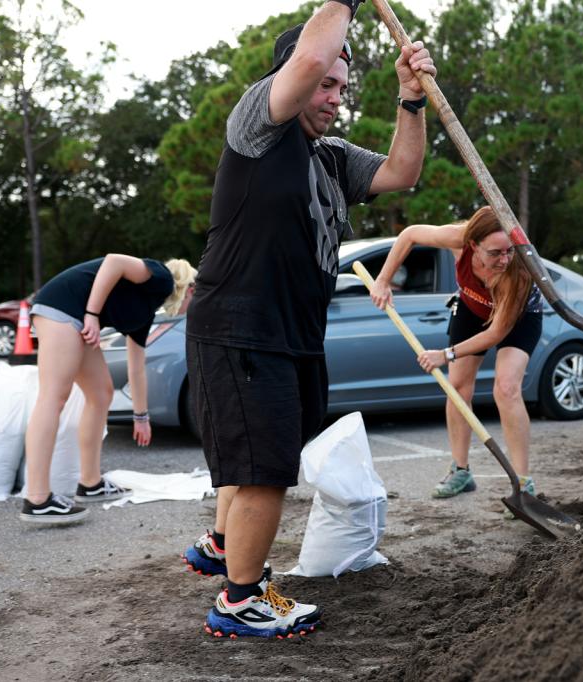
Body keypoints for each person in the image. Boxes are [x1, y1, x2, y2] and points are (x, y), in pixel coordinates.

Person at [181, 0, 436, 640]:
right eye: (325, 85)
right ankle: (239, 601)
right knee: (266, 470)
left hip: (293, 334)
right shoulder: (258, 126)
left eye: (343, 89)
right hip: (242, 325)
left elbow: (402, 173)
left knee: (263, 458)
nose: (334, 97)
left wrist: (411, 100)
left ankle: (223, 546)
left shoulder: (329, 157)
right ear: (291, 77)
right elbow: (315, 52)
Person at [369, 206, 542, 510]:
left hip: (518, 318)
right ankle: (460, 471)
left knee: (507, 389)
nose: (504, 259)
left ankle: (523, 484)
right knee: (458, 387)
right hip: (471, 309)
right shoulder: (457, 238)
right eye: (495, 252)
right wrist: (383, 279)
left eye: (509, 250)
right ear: (473, 245)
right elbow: (409, 235)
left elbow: (496, 333)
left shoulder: (518, 271)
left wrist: (446, 354)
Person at [19, 255, 196, 525]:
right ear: (191, 288)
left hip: (78, 317)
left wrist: (141, 417)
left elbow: (136, 366)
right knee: (53, 397)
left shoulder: (146, 311)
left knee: (101, 393)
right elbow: (114, 262)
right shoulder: (161, 277)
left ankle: (90, 483)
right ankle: (38, 499)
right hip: (64, 308)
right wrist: (91, 314)